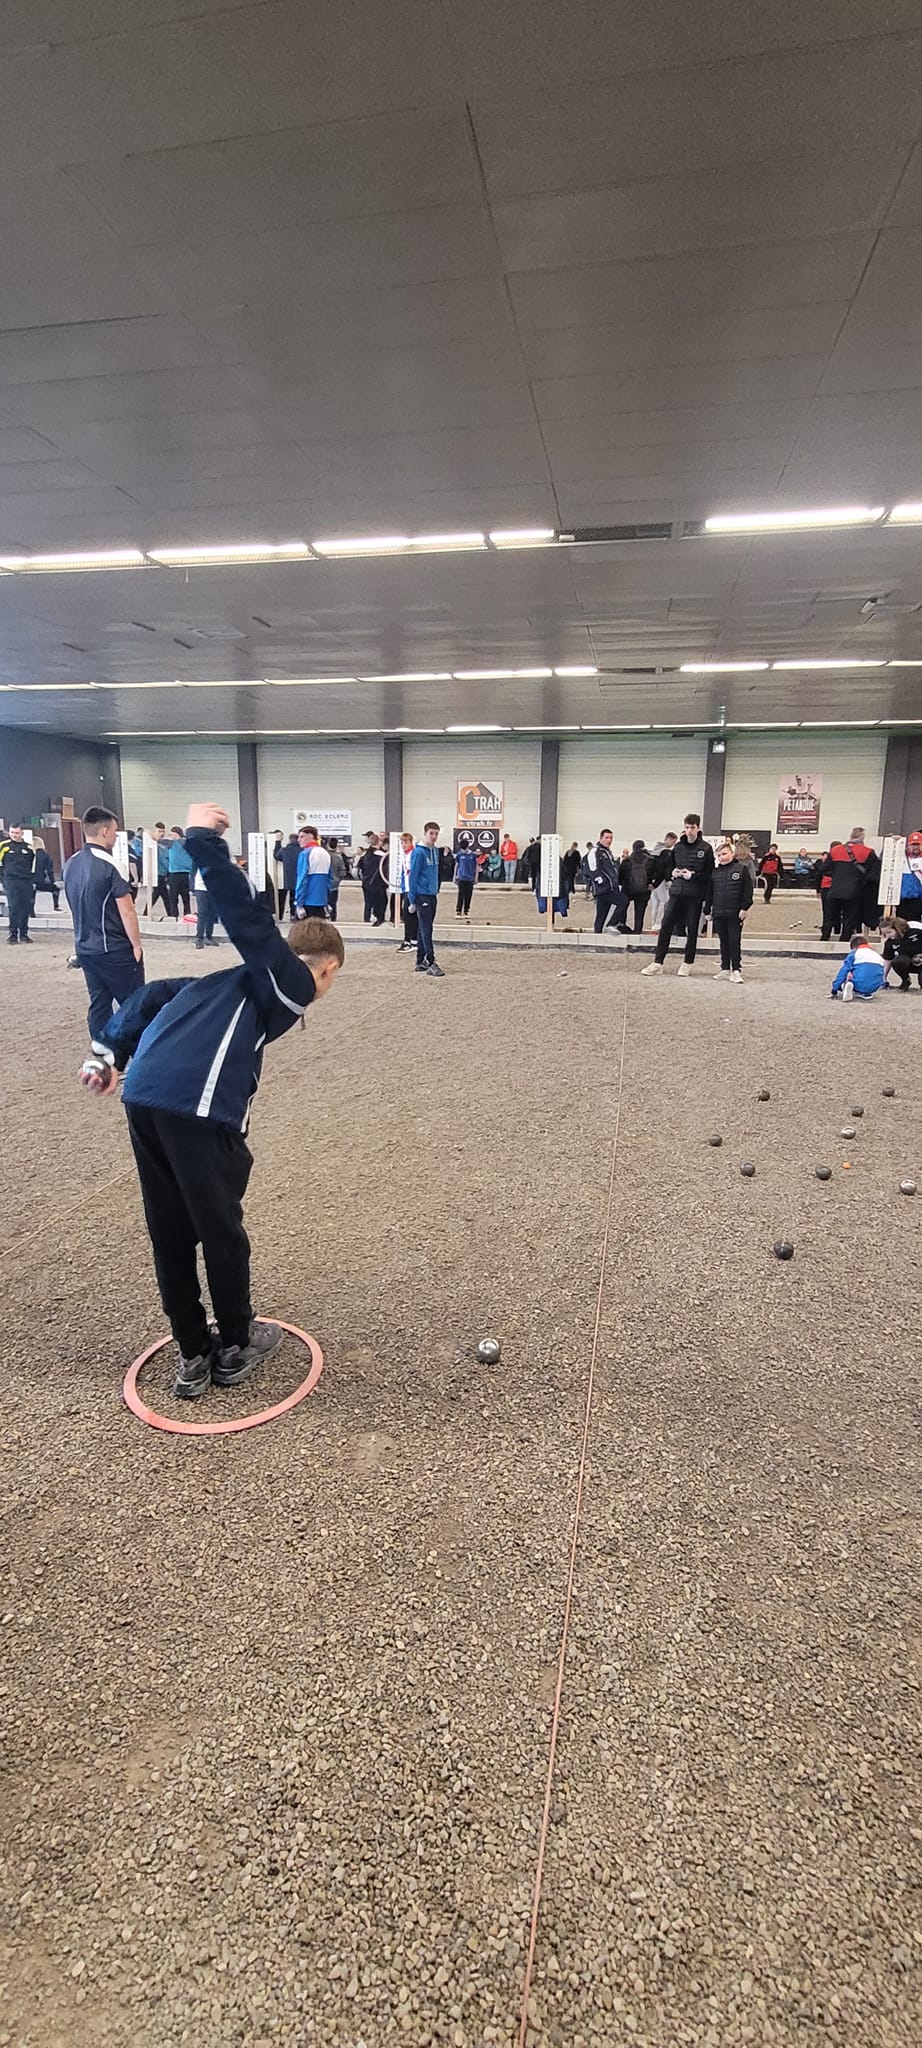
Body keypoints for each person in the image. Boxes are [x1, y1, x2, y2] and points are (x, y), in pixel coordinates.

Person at [82, 803, 343, 1400]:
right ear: (327, 970)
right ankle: (235, 1345)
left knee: (169, 1229)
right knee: (221, 1230)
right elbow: (246, 917)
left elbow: (149, 996)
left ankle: (191, 1352)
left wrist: (106, 1056)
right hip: (196, 1109)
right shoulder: (292, 984)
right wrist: (202, 840)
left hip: (143, 1098)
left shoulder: (218, 983)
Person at [63, 806, 145, 1033]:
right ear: (105, 831)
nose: (116, 837)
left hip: (85, 947)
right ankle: (135, 1050)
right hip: (114, 948)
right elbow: (127, 911)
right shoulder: (112, 865)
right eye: (115, 832)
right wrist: (136, 945)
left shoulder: (70, 863)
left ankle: (100, 1050)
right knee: (134, 1004)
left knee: (99, 1005)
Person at [641, 813, 715, 977]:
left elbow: (710, 874)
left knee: (692, 930)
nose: (689, 831)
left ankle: (687, 963)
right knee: (666, 926)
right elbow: (668, 867)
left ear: (698, 828)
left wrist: (693, 875)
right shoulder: (678, 847)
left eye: (692, 827)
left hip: (694, 895)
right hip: (676, 893)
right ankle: (658, 962)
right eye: (687, 827)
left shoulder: (706, 848)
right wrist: (672, 873)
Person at [707, 841, 753, 982]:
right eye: (719, 855)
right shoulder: (714, 873)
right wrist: (707, 910)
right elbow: (710, 893)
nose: (722, 857)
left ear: (732, 853)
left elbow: (748, 890)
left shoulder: (741, 869)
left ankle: (736, 970)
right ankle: (725, 968)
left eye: (724, 854)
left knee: (734, 941)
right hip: (719, 912)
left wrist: (745, 908)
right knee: (723, 941)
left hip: (735, 913)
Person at [821, 829, 878, 943]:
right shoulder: (868, 851)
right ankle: (843, 941)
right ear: (862, 837)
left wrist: (837, 875)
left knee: (829, 917)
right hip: (854, 891)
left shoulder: (836, 850)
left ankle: (824, 938)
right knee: (849, 919)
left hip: (835, 890)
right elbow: (873, 874)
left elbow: (825, 869)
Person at [408, 821, 443, 976]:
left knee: (424, 928)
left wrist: (436, 888)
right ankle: (430, 960)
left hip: (432, 894)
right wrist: (412, 899)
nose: (434, 836)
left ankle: (420, 960)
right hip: (422, 895)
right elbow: (413, 876)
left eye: (436, 833)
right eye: (431, 833)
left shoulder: (435, 851)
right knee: (426, 928)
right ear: (425, 833)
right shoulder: (419, 852)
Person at [1, 825, 36, 943]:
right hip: (11, 880)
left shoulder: (29, 848)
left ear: (22, 833)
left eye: (16, 833)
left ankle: (24, 934)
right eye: (12, 832)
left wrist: (32, 880)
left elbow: (33, 865)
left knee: (25, 907)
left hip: (26, 881)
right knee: (13, 906)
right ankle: (13, 934)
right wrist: (3, 880)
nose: (14, 835)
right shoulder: (4, 846)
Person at [587, 829, 625, 933]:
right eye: (606, 837)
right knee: (623, 901)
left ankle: (597, 934)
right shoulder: (595, 851)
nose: (609, 840)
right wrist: (600, 881)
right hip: (604, 888)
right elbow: (592, 868)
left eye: (611, 838)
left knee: (601, 914)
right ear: (601, 838)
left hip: (610, 887)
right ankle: (611, 924)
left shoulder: (607, 852)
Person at [831, 934, 886, 1002]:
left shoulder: (854, 953)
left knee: (851, 972)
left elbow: (843, 971)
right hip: (875, 986)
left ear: (854, 947)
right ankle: (866, 994)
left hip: (859, 983)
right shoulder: (877, 955)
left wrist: (834, 989)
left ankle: (845, 985)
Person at [295, 825, 332, 921]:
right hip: (322, 901)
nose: (299, 840)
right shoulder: (325, 853)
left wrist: (299, 904)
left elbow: (302, 879)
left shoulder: (305, 854)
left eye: (302, 837)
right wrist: (327, 901)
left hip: (307, 901)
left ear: (311, 836)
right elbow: (329, 880)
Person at [619, 838, 654, 933]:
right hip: (644, 891)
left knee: (623, 908)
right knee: (639, 913)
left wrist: (624, 884)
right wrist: (653, 884)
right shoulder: (650, 860)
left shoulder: (626, 861)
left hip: (628, 890)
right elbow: (658, 873)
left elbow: (620, 877)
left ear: (633, 848)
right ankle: (637, 931)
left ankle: (622, 926)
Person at [648, 833, 678, 931]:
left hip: (652, 880)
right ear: (668, 839)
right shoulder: (666, 852)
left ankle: (653, 923)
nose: (673, 844)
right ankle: (658, 923)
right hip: (661, 880)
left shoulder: (654, 851)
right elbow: (664, 868)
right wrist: (668, 880)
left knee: (655, 902)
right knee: (664, 901)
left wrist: (652, 882)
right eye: (673, 842)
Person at [394, 833, 418, 952]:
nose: (403, 845)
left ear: (410, 842)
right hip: (407, 889)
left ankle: (410, 940)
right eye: (402, 842)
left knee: (409, 915)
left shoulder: (413, 854)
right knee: (408, 915)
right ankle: (411, 940)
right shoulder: (405, 855)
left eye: (406, 842)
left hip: (412, 889)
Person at [167, 826, 194, 920]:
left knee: (173, 898)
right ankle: (187, 916)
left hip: (175, 874)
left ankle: (174, 917)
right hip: (186, 874)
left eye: (171, 834)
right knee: (185, 898)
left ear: (176, 834)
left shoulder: (172, 843)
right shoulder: (187, 843)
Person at [192, 866, 220, 949]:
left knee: (212, 913)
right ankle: (199, 938)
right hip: (201, 888)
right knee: (202, 912)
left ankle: (209, 937)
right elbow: (193, 871)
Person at [31, 835, 60, 912]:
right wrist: (52, 881)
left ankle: (31, 911)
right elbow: (49, 870)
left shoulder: (29, 854)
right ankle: (56, 906)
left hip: (30, 881)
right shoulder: (45, 855)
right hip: (41, 881)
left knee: (31, 893)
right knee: (56, 889)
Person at [276, 832, 300, 921]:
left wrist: (278, 843)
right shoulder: (302, 850)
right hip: (298, 879)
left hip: (286, 879)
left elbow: (276, 856)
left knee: (282, 898)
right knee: (295, 897)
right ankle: (293, 914)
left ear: (289, 840)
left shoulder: (284, 850)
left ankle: (280, 916)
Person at [151, 823, 171, 916]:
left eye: (163, 831)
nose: (162, 834)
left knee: (162, 894)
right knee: (160, 894)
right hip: (157, 873)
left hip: (163, 873)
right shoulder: (152, 844)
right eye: (159, 831)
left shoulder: (164, 844)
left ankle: (170, 913)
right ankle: (170, 913)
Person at [454, 841, 477, 920]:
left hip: (470, 878)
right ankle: (458, 911)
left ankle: (466, 910)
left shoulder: (473, 855)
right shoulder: (459, 855)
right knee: (461, 894)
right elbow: (457, 865)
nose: (463, 851)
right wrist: (454, 876)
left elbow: (476, 867)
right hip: (461, 877)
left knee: (468, 895)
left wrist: (476, 877)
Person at [326, 836, 347, 921]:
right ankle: (333, 919)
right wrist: (338, 879)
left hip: (323, 884)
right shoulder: (338, 857)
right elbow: (343, 871)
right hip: (334, 884)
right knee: (333, 904)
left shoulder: (323, 856)